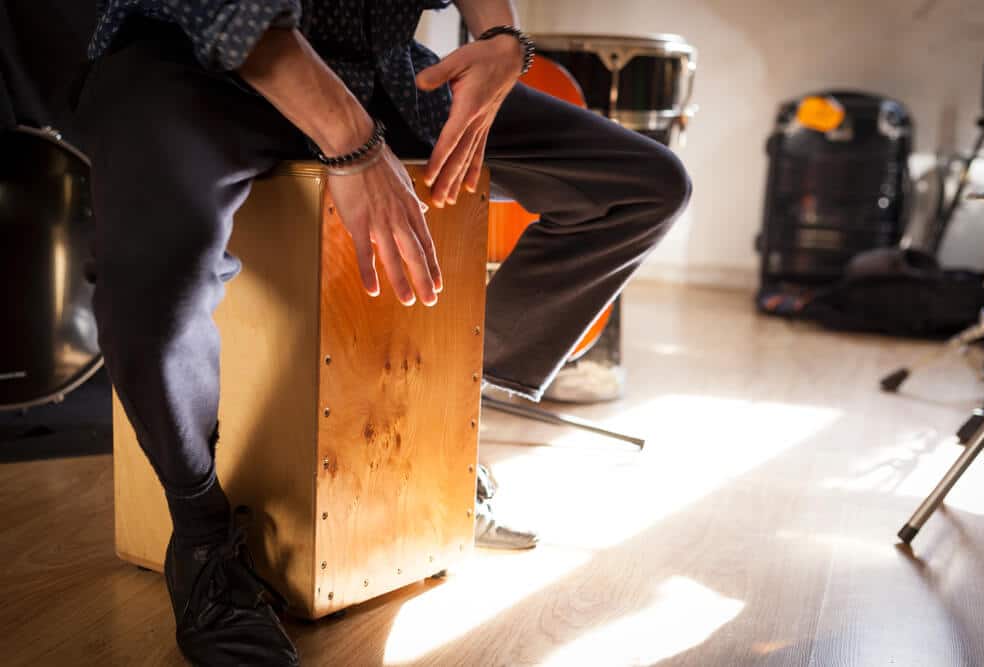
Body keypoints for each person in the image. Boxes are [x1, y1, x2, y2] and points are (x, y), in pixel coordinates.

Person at [75, 0, 691, 663]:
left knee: (645, 184)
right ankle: (201, 539)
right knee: (152, 286)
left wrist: (502, 39)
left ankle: (446, 445)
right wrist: (352, 144)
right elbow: (230, 16)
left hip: (384, 76)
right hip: (194, 67)